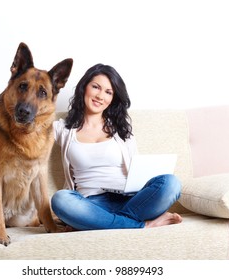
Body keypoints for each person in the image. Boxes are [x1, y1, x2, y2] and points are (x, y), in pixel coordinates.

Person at [51, 63, 182, 231]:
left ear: (113, 98)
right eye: (96, 87)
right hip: (90, 205)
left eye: (108, 92)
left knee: (171, 183)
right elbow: (27, 128)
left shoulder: (121, 128)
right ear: (84, 87)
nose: (100, 96)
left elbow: (137, 169)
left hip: (130, 201)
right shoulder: (63, 129)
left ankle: (100, 223)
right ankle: (143, 225)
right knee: (60, 199)